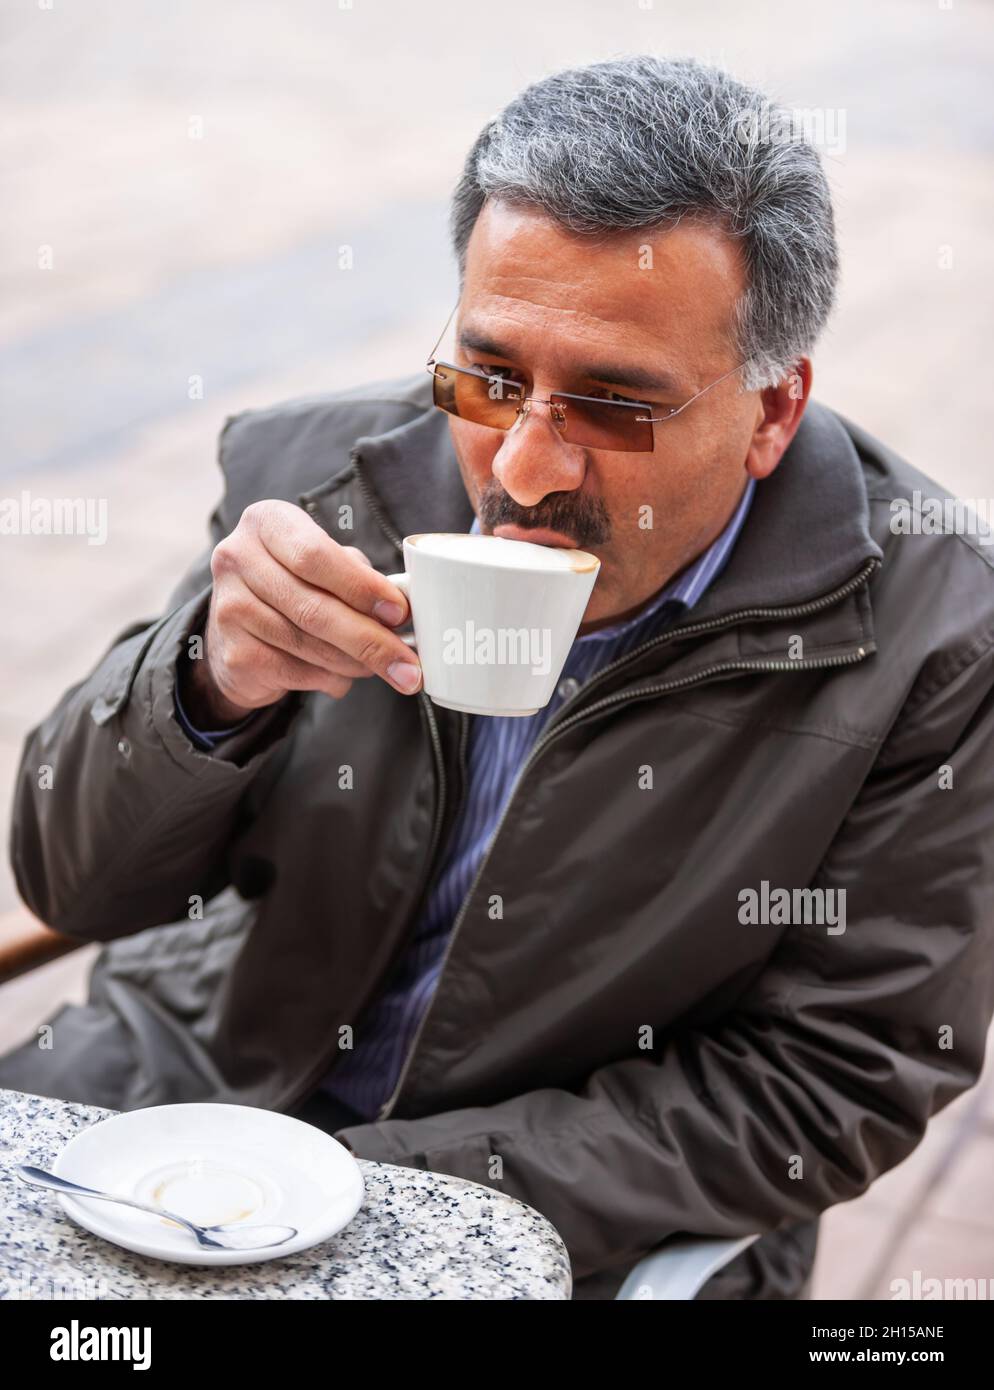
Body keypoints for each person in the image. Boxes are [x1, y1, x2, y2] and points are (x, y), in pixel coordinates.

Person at [3, 56, 993, 1301]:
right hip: (172, 1103)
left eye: (614, 406)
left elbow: (840, 1075)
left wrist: (364, 1194)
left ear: (771, 410)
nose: (523, 465)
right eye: (488, 378)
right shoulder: (318, 475)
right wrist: (202, 686)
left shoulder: (933, 628)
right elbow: (69, 874)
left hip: (541, 1222)